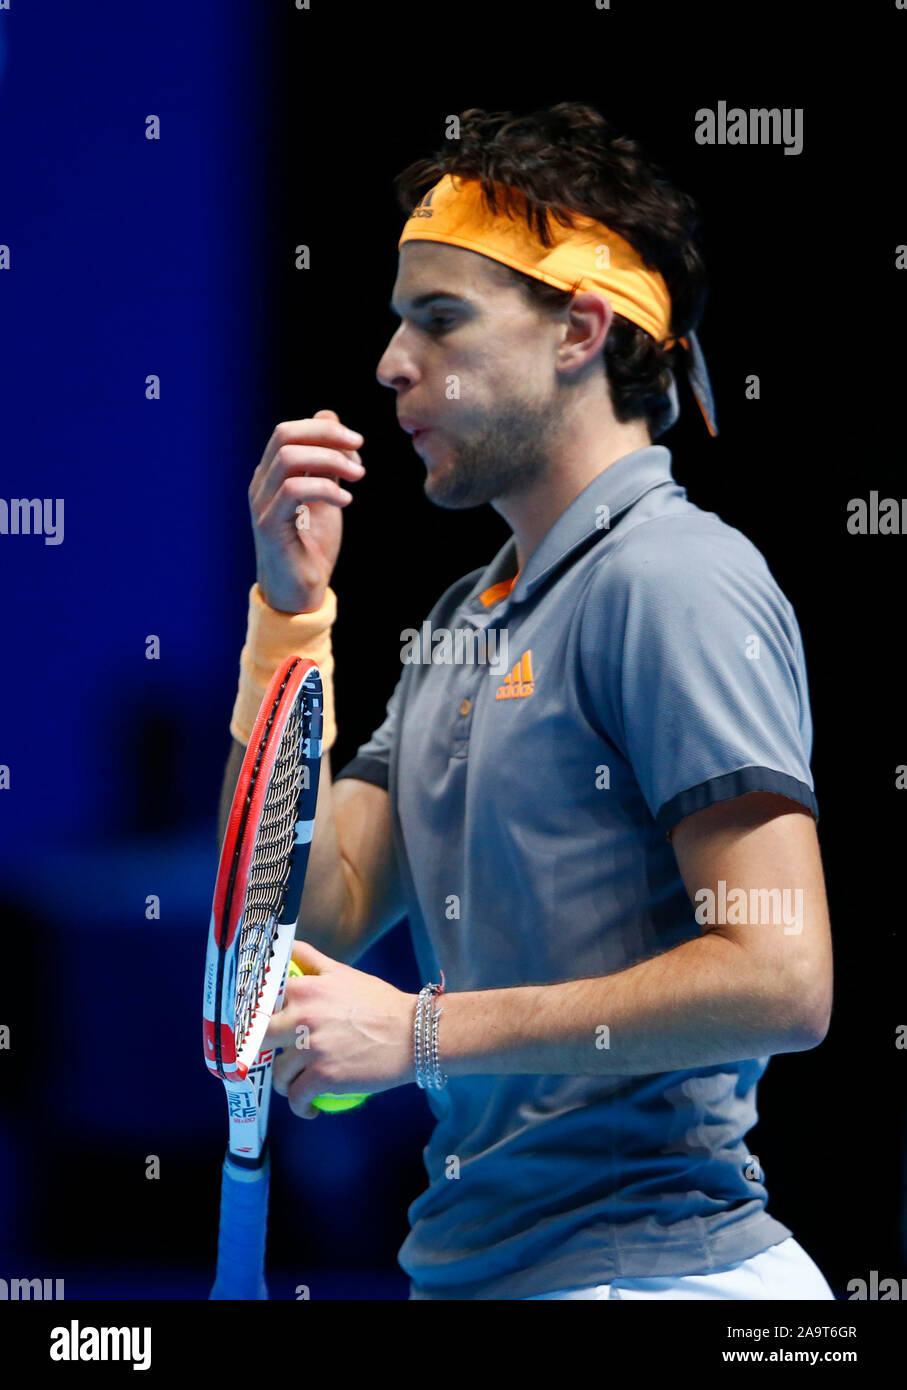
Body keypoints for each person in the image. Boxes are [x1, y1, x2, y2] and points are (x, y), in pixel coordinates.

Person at [222, 103, 835, 1300]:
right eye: (399, 319)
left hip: (653, 1276)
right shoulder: (465, 618)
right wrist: (288, 622)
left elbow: (783, 977)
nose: (392, 361)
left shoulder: (674, 579)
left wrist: (422, 1035)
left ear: (580, 331)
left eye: (438, 318)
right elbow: (292, 924)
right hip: (487, 1273)